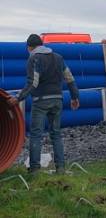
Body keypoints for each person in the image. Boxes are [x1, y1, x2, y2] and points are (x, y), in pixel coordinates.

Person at [7, 34, 80, 174]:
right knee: (56, 134)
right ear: (42, 44)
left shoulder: (34, 58)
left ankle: (34, 170)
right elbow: (70, 78)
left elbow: (32, 83)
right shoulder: (58, 57)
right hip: (57, 100)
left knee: (36, 135)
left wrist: (18, 98)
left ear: (29, 47)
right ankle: (60, 169)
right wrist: (74, 97)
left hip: (41, 102)